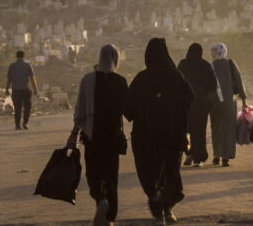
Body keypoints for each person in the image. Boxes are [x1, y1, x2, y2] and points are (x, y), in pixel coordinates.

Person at [124, 38, 193, 225]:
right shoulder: (176, 76)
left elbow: (128, 110)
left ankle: (158, 213)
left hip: (146, 138)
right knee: (170, 172)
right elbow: (189, 99)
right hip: (172, 136)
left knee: (151, 174)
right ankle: (168, 210)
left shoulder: (141, 79)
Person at [67, 45, 128, 226]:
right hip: (113, 136)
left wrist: (73, 134)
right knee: (111, 176)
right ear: (116, 59)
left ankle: (100, 199)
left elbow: (80, 111)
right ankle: (109, 218)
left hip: (92, 135)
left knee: (93, 172)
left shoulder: (88, 79)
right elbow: (129, 110)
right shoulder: (120, 81)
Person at [177, 43, 219, 167]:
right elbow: (213, 85)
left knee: (186, 129)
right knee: (199, 131)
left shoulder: (183, 64)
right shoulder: (205, 65)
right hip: (201, 104)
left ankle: (189, 152)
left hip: (186, 104)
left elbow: (177, 81)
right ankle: (198, 158)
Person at [210, 43, 246, 167]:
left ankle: (216, 156)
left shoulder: (211, 66)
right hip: (230, 102)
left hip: (215, 103)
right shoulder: (230, 63)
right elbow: (238, 80)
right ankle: (226, 157)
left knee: (216, 128)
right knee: (229, 128)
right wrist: (244, 100)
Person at [5, 50, 38, 130]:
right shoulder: (27, 65)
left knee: (17, 108)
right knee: (27, 107)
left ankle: (17, 125)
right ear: (23, 56)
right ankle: (25, 123)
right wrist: (35, 89)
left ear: (16, 56)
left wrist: (6, 89)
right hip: (26, 89)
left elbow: (9, 79)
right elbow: (32, 78)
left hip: (16, 90)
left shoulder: (12, 66)